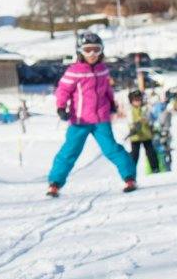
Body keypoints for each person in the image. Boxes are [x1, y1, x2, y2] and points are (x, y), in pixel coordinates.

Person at [46, 32, 138, 197]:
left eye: (96, 50)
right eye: (88, 50)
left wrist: (111, 103)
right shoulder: (74, 71)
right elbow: (63, 91)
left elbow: (107, 89)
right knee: (69, 151)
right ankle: (55, 183)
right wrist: (61, 107)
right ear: (80, 51)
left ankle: (129, 178)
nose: (92, 54)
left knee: (112, 149)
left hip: (101, 119)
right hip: (79, 120)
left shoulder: (103, 70)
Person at [125, 89, 163, 177]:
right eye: (136, 100)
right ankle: (131, 171)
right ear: (131, 101)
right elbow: (130, 121)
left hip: (146, 135)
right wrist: (134, 127)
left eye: (139, 99)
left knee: (151, 152)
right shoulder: (130, 110)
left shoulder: (145, 108)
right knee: (134, 155)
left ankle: (155, 168)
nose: (138, 102)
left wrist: (150, 123)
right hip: (136, 136)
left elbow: (150, 118)